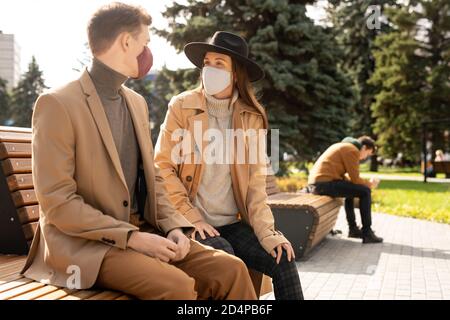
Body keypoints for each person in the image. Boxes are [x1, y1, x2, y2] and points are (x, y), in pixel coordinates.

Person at [21, 3, 256, 300]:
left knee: (231, 270)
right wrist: (131, 238)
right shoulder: (57, 103)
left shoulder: (136, 102)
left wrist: (175, 228)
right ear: (126, 42)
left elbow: (154, 179)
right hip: (86, 245)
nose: (148, 51)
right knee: (177, 286)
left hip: (144, 231)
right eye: (145, 42)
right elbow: (58, 203)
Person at [154, 31, 303, 300]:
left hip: (231, 223)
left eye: (219, 63)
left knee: (284, 259)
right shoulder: (181, 106)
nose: (209, 69)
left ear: (236, 74)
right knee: (227, 261)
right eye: (207, 62)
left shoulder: (252, 117)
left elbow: (256, 186)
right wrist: (192, 218)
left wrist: (270, 234)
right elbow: (162, 167)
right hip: (190, 221)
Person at [307, 136, 383, 244]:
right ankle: (367, 232)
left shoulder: (344, 146)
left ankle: (353, 230)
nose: (365, 157)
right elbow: (355, 179)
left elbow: (346, 178)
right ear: (364, 148)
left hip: (319, 183)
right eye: (368, 153)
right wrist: (370, 184)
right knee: (365, 191)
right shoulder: (352, 150)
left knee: (351, 191)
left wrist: (363, 183)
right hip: (323, 184)